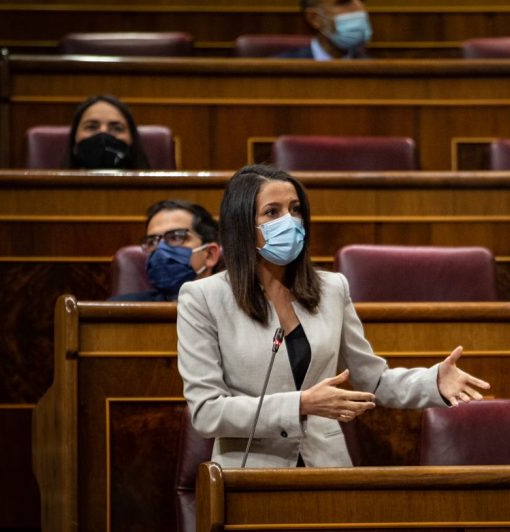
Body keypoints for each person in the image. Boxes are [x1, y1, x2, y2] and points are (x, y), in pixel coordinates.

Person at [177, 165, 489, 468]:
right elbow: (207, 412)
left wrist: (433, 381)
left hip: (326, 467)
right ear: (243, 226)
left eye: (296, 209)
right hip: (249, 471)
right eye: (273, 212)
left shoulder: (331, 289)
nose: (290, 221)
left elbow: (373, 380)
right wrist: (301, 404)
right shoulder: (203, 298)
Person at [110, 200, 223, 301]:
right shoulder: (120, 312)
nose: (160, 248)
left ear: (209, 254)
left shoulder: (234, 310)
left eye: (176, 237)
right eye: (152, 241)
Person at [273, 0, 372, 60]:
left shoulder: (375, 71)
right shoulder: (280, 70)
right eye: (344, 1)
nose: (360, 9)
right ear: (314, 18)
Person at [66, 94, 151, 169]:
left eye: (116, 128)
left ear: (132, 139)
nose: (103, 133)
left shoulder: (152, 187)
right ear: (74, 137)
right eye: (91, 127)